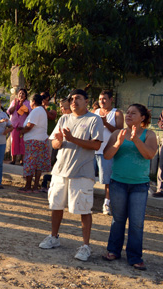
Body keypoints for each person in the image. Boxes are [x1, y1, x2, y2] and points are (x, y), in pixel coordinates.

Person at [38, 89, 103, 262]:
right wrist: (59, 141)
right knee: (56, 205)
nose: (73, 102)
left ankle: (85, 246)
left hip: (82, 172)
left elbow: (96, 145)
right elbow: (55, 143)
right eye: (71, 99)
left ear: (87, 101)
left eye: (78, 98)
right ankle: (54, 237)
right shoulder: (64, 118)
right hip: (60, 170)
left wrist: (72, 139)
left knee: (83, 209)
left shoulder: (94, 119)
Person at [102, 104, 157, 271]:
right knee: (117, 219)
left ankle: (134, 257)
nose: (129, 115)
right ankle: (113, 251)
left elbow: (149, 154)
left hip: (139, 185)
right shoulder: (117, 133)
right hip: (118, 183)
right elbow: (107, 155)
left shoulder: (150, 134)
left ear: (142, 118)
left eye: (134, 113)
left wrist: (136, 140)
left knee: (136, 223)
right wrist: (118, 143)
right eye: (128, 112)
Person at [94, 90, 124, 214]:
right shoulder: (95, 112)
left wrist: (106, 123)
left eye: (105, 99)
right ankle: (86, 201)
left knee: (108, 180)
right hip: (93, 150)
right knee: (88, 176)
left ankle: (107, 203)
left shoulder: (116, 113)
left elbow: (119, 132)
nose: (102, 101)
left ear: (111, 99)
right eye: (100, 99)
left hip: (107, 151)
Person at [19, 94, 50, 193]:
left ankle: (28, 186)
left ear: (33, 102)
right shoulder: (42, 111)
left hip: (34, 141)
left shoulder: (36, 111)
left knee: (30, 163)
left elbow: (29, 126)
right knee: (38, 165)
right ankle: (35, 187)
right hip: (41, 140)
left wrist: (21, 132)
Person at [7, 88, 31, 165]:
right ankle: (13, 160)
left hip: (23, 126)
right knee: (14, 142)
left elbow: (29, 113)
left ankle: (23, 160)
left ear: (25, 96)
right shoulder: (14, 102)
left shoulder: (27, 103)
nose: (21, 95)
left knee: (23, 143)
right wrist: (16, 105)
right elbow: (9, 112)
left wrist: (22, 106)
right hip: (14, 125)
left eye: (23, 94)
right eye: (20, 93)